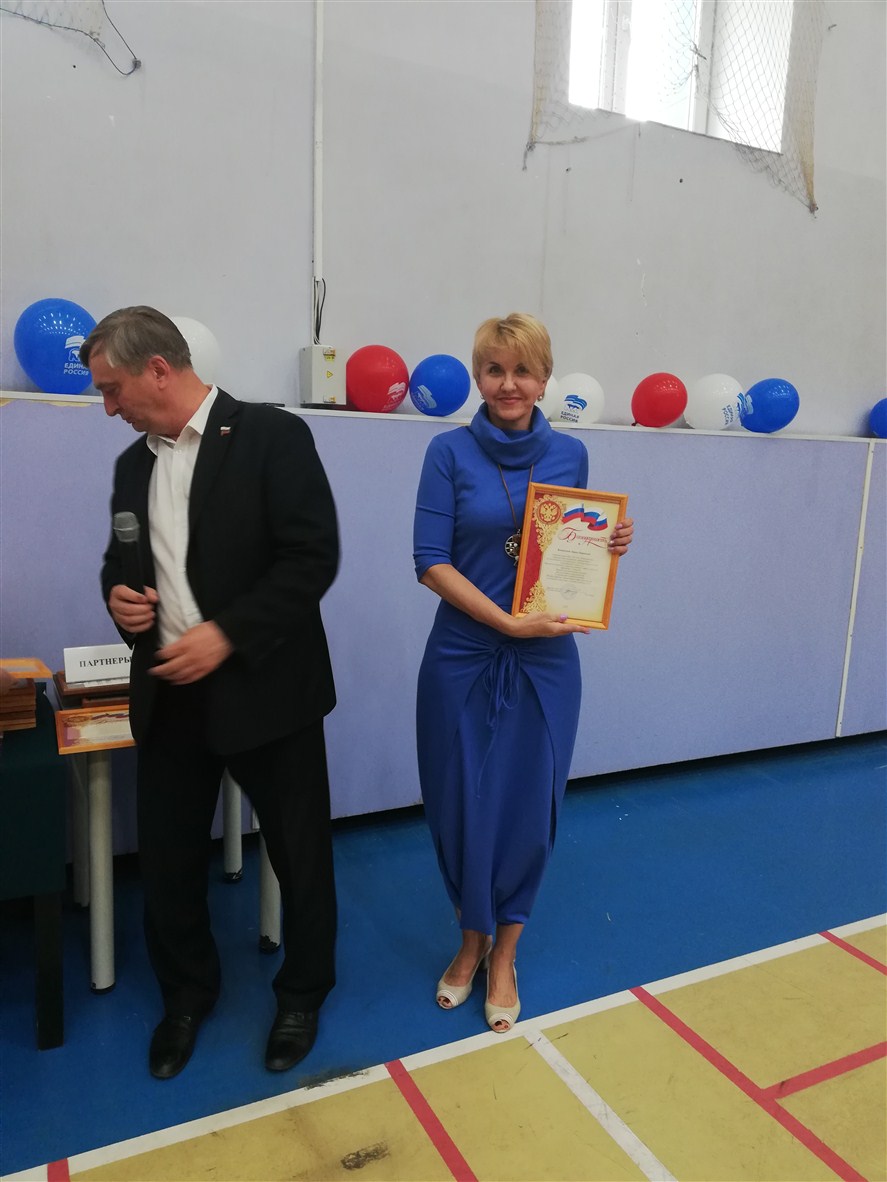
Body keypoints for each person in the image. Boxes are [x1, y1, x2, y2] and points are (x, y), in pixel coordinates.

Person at [82, 307, 339, 1079]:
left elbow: (311, 558)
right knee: (167, 864)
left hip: (268, 691)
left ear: (159, 369)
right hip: (172, 695)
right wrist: (119, 600)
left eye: (112, 388)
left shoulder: (272, 437)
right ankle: (186, 996)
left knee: (299, 855)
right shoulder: (132, 466)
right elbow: (122, 562)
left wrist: (227, 634)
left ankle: (303, 993)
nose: (108, 407)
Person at [413, 313, 633, 1033]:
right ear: (478, 376)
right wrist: (505, 623)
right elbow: (429, 560)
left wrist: (608, 544)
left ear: (544, 379)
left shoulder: (571, 454)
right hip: (461, 657)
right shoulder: (446, 452)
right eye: (494, 370)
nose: (508, 385)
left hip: (546, 663)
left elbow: (566, 553)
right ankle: (469, 938)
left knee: (527, 810)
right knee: (458, 804)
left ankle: (503, 951)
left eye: (523, 371)